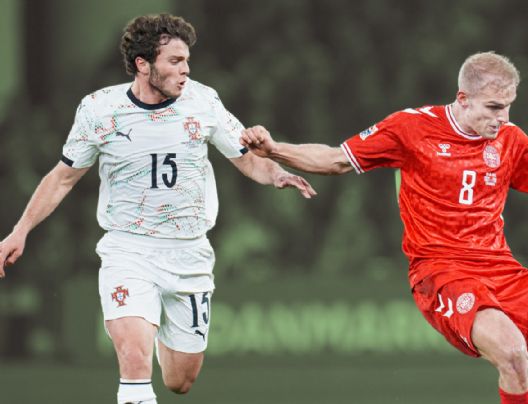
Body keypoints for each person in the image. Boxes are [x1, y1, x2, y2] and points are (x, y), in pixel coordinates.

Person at [240, 51, 528, 404]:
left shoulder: (509, 140)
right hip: (441, 272)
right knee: (512, 351)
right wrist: (276, 149)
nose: (502, 118)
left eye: (508, 107)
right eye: (493, 108)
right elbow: (336, 159)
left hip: (500, 268)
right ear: (462, 99)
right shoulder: (411, 129)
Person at [0, 14, 316, 404]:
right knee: (134, 358)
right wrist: (21, 230)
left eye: (187, 61)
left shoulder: (203, 101)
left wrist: (276, 175)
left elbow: (247, 158)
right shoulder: (99, 111)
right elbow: (62, 178)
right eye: (175, 61)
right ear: (143, 65)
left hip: (189, 253)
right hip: (128, 249)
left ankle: (163, 337)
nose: (185, 71)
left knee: (180, 380)